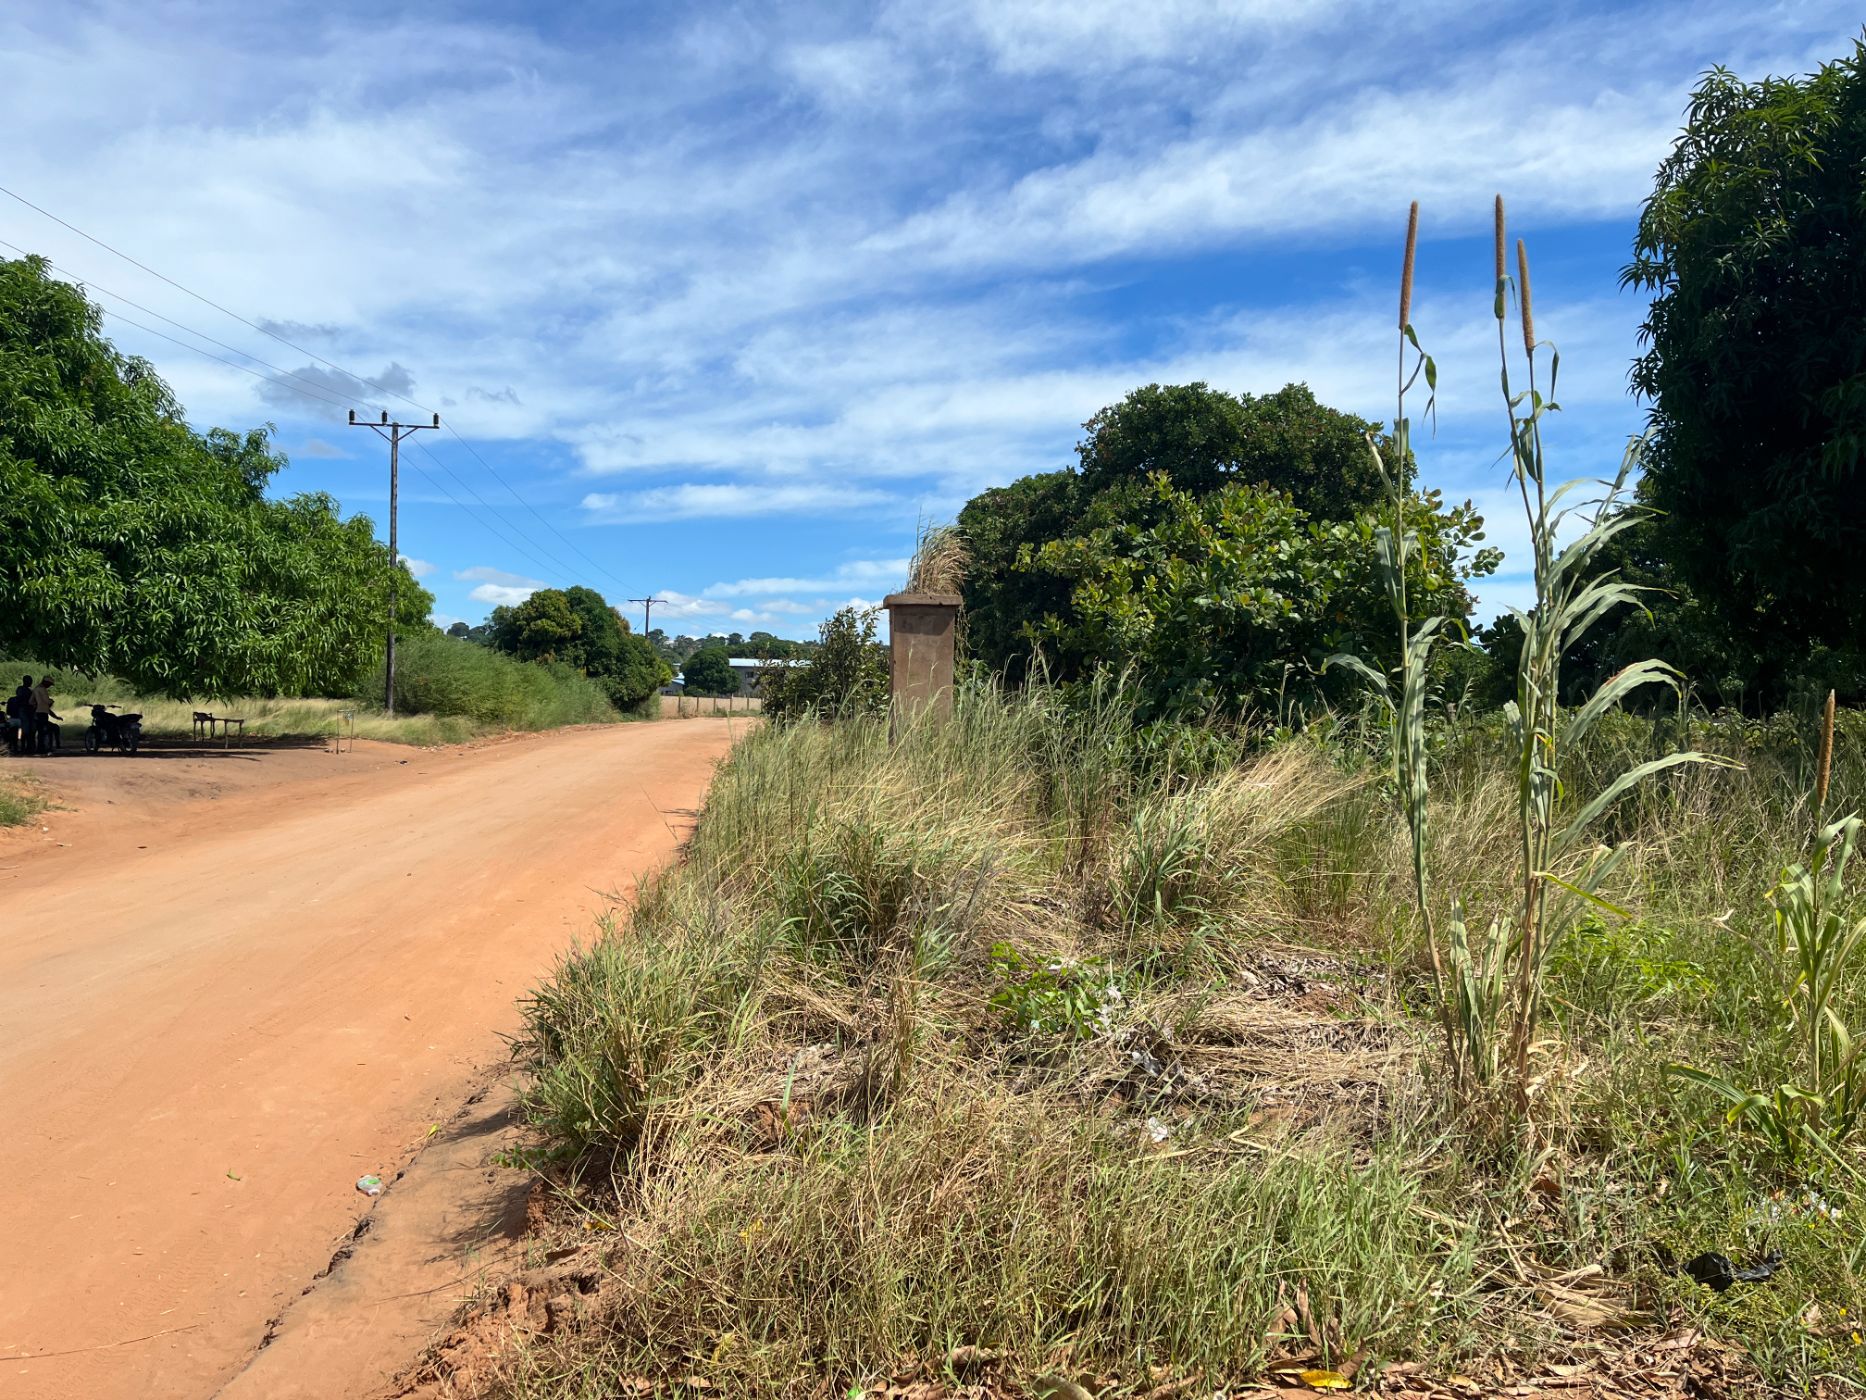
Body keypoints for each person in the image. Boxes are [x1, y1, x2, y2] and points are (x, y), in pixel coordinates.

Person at [30, 675, 60, 755]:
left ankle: (39, 748)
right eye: (49, 684)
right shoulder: (43, 689)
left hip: (37, 712)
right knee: (44, 731)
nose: (49, 686)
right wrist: (51, 701)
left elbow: (30, 701)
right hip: (43, 712)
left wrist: (36, 704)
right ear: (46, 682)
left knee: (40, 731)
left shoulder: (35, 689)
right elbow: (47, 701)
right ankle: (43, 748)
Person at [3, 676, 27, 756]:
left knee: (11, 731)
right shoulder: (25, 700)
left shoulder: (11, 699)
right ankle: (22, 747)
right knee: (24, 732)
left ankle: (12, 747)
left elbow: (8, 712)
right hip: (21, 719)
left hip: (13, 719)